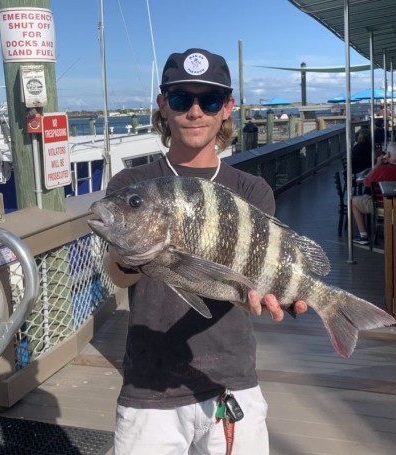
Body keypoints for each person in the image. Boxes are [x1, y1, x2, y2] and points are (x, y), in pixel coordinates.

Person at [103, 48, 307, 454]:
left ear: (227, 108)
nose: (194, 111)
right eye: (181, 99)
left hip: (231, 380)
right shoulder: (133, 185)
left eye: (209, 100)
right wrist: (130, 256)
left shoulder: (251, 191)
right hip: (150, 384)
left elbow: (252, 280)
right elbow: (118, 272)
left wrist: (265, 296)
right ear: (163, 105)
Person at [352, 142, 396, 245]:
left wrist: (378, 164)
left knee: (353, 202)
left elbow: (366, 182)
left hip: (382, 206)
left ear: (388, 155)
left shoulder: (381, 170)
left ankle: (363, 235)